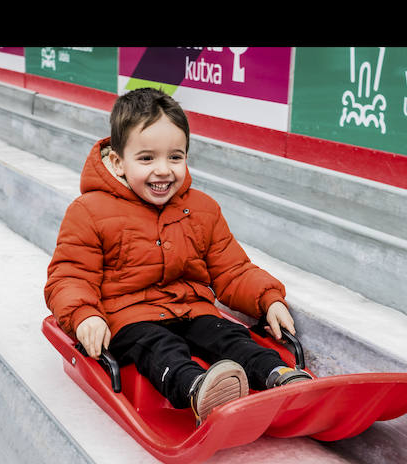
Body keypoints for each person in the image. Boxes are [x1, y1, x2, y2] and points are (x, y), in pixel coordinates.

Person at [45, 87, 311, 426]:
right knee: (159, 348)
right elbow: (70, 276)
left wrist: (267, 299)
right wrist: (85, 316)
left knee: (226, 335)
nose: (163, 170)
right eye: (146, 158)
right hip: (128, 317)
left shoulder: (201, 209)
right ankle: (197, 389)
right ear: (117, 162)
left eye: (175, 157)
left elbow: (231, 269)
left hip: (191, 309)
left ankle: (277, 375)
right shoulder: (89, 212)